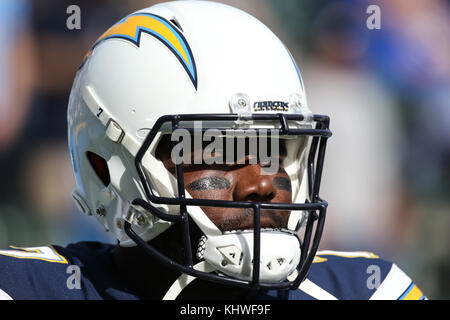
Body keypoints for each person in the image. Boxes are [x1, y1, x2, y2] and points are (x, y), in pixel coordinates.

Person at [0, 1, 426, 300]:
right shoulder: (26, 288)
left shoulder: (369, 291)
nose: (262, 182)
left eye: (275, 151)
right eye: (220, 151)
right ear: (106, 171)